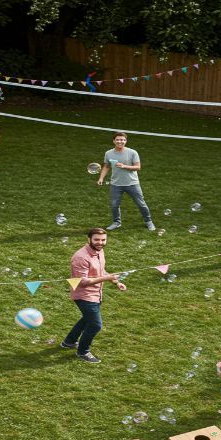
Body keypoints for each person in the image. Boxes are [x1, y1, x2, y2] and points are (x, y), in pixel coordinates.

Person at [60, 228, 126, 363]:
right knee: (95, 325)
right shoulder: (80, 257)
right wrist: (107, 279)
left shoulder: (99, 251)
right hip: (84, 295)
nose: (100, 243)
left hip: (96, 293)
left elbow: (101, 271)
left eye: (103, 240)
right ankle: (83, 351)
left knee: (87, 319)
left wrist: (115, 282)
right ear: (89, 239)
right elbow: (83, 282)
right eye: (96, 239)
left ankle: (69, 342)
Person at [97, 132, 156, 231]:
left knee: (141, 203)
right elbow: (106, 166)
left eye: (122, 140)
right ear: (114, 141)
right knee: (114, 205)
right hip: (116, 184)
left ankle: (149, 222)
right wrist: (101, 178)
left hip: (132, 183)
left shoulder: (132, 152)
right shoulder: (108, 153)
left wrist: (124, 166)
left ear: (126, 141)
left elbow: (138, 167)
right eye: (118, 140)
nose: (120, 141)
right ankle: (116, 222)